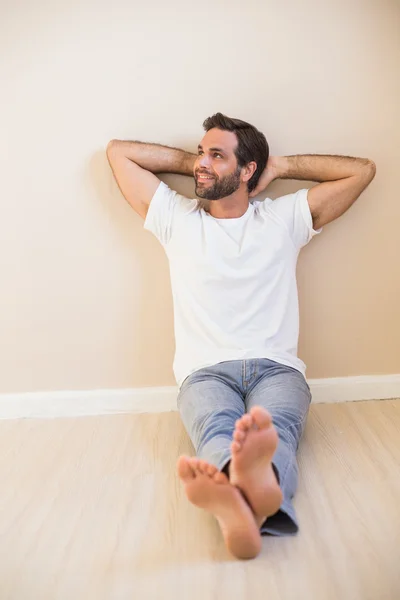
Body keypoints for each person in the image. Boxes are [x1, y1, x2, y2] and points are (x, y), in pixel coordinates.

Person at [106, 113, 376, 560]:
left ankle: (237, 503)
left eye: (217, 155)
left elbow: (361, 171)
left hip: (278, 369)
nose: (201, 164)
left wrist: (280, 166)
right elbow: (119, 152)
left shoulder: (284, 218)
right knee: (218, 429)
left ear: (248, 169)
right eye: (199, 153)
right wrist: (197, 163)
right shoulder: (177, 218)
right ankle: (255, 497)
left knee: (275, 431)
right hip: (205, 372)